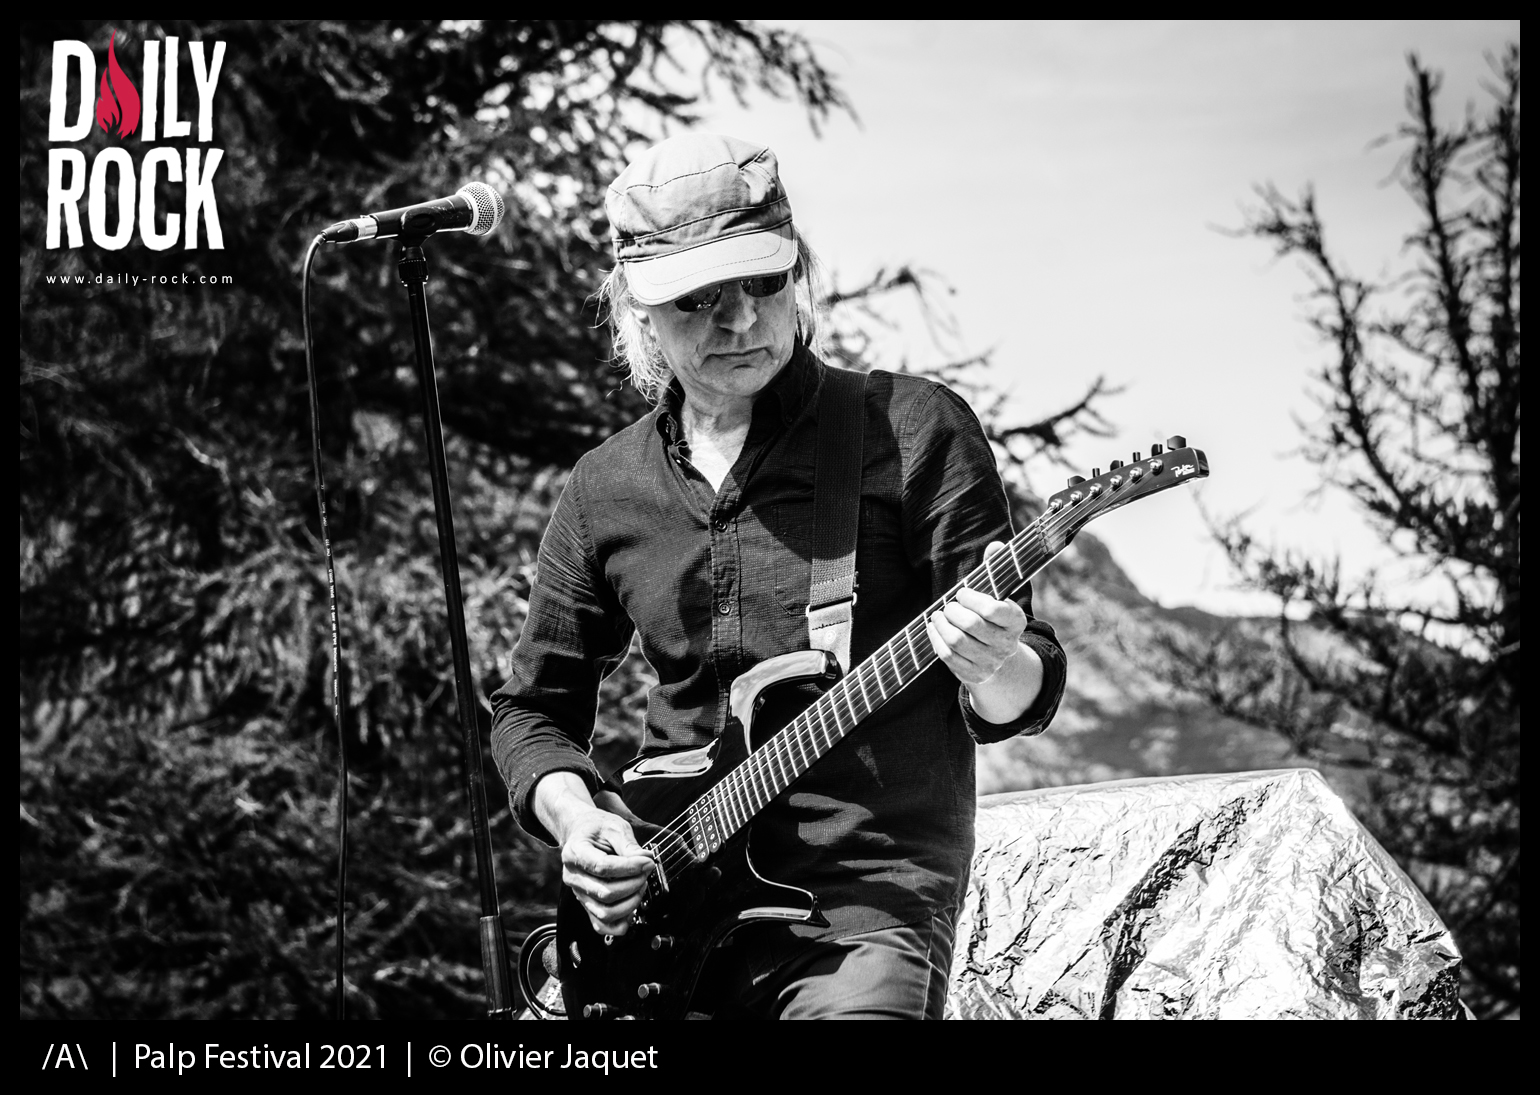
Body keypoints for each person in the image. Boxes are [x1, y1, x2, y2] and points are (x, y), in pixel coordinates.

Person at [491, 133, 1066, 1019]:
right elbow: (533, 711)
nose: (743, 322)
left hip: (865, 909)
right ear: (638, 307)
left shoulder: (911, 429)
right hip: (661, 920)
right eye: (700, 299)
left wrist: (994, 662)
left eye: (764, 283)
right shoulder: (605, 487)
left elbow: (1019, 692)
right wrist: (578, 818)